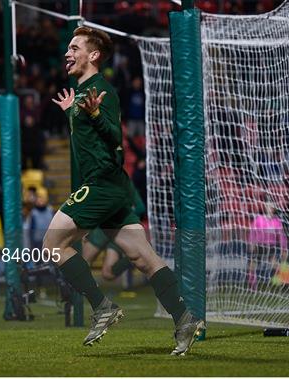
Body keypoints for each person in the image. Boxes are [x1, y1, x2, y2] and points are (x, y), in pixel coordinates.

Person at [46, 26, 204, 355]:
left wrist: (90, 114)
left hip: (102, 184)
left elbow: (114, 138)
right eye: (68, 48)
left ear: (94, 56)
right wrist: (73, 114)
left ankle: (102, 307)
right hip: (114, 187)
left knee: (53, 245)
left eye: (75, 47)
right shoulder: (83, 95)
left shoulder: (101, 90)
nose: (68, 52)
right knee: (142, 257)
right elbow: (91, 137)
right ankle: (184, 318)